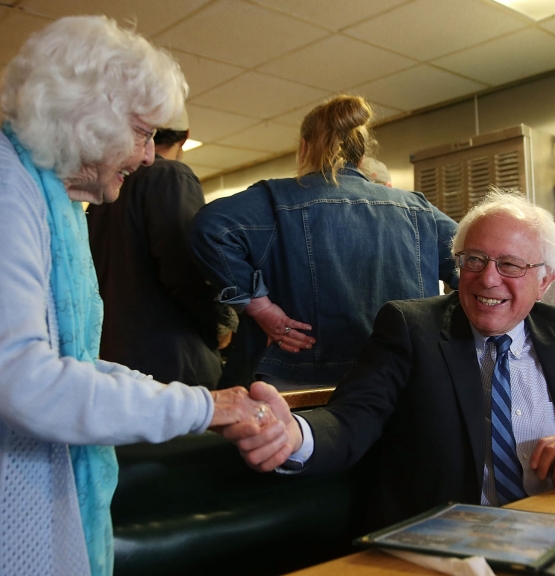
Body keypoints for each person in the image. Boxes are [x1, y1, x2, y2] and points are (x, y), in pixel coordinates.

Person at [0, 16, 284, 576]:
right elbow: (29, 381)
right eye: (141, 132)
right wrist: (203, 405)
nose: (150, 156)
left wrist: (201, 401)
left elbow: (71, 363)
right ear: (88, 120)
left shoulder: (33, 195)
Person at [229, 190, 555, 534]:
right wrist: (295, 436)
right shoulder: (409, 327)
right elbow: (352, 420)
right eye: (474, 260)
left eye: (510, 265)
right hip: (445, 549)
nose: (488, 278)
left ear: (546, 281)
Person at [188, 95, 459, 389]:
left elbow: (209, 228)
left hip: (303, 384)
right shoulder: (416, 209)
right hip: (401, 380)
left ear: (304, 147)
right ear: (362, 156)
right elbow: (474, 258)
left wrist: (260, 307)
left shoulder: (277, 200)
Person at [87, 107, 236, 389]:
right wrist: (220, 324)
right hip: (174, 364)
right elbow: (187, 269)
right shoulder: (171, 176)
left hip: (114, 360)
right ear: (186, 136)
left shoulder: (102, 194)